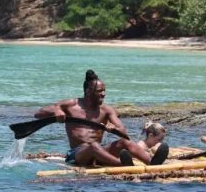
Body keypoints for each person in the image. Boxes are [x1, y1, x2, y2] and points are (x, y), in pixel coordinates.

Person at [34, 70, 169, 167]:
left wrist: (114, 129)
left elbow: (123, 132)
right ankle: (122, 165)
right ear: (88, 91)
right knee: (94, 146)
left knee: (124, 142)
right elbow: (38, 114)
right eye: (100, 91)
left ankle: (152, 162)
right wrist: (57, 110)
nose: (103, 94)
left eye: (104, 91)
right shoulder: (70, 105)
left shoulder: (106, 110)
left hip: (101, 151)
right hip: (77, 155)